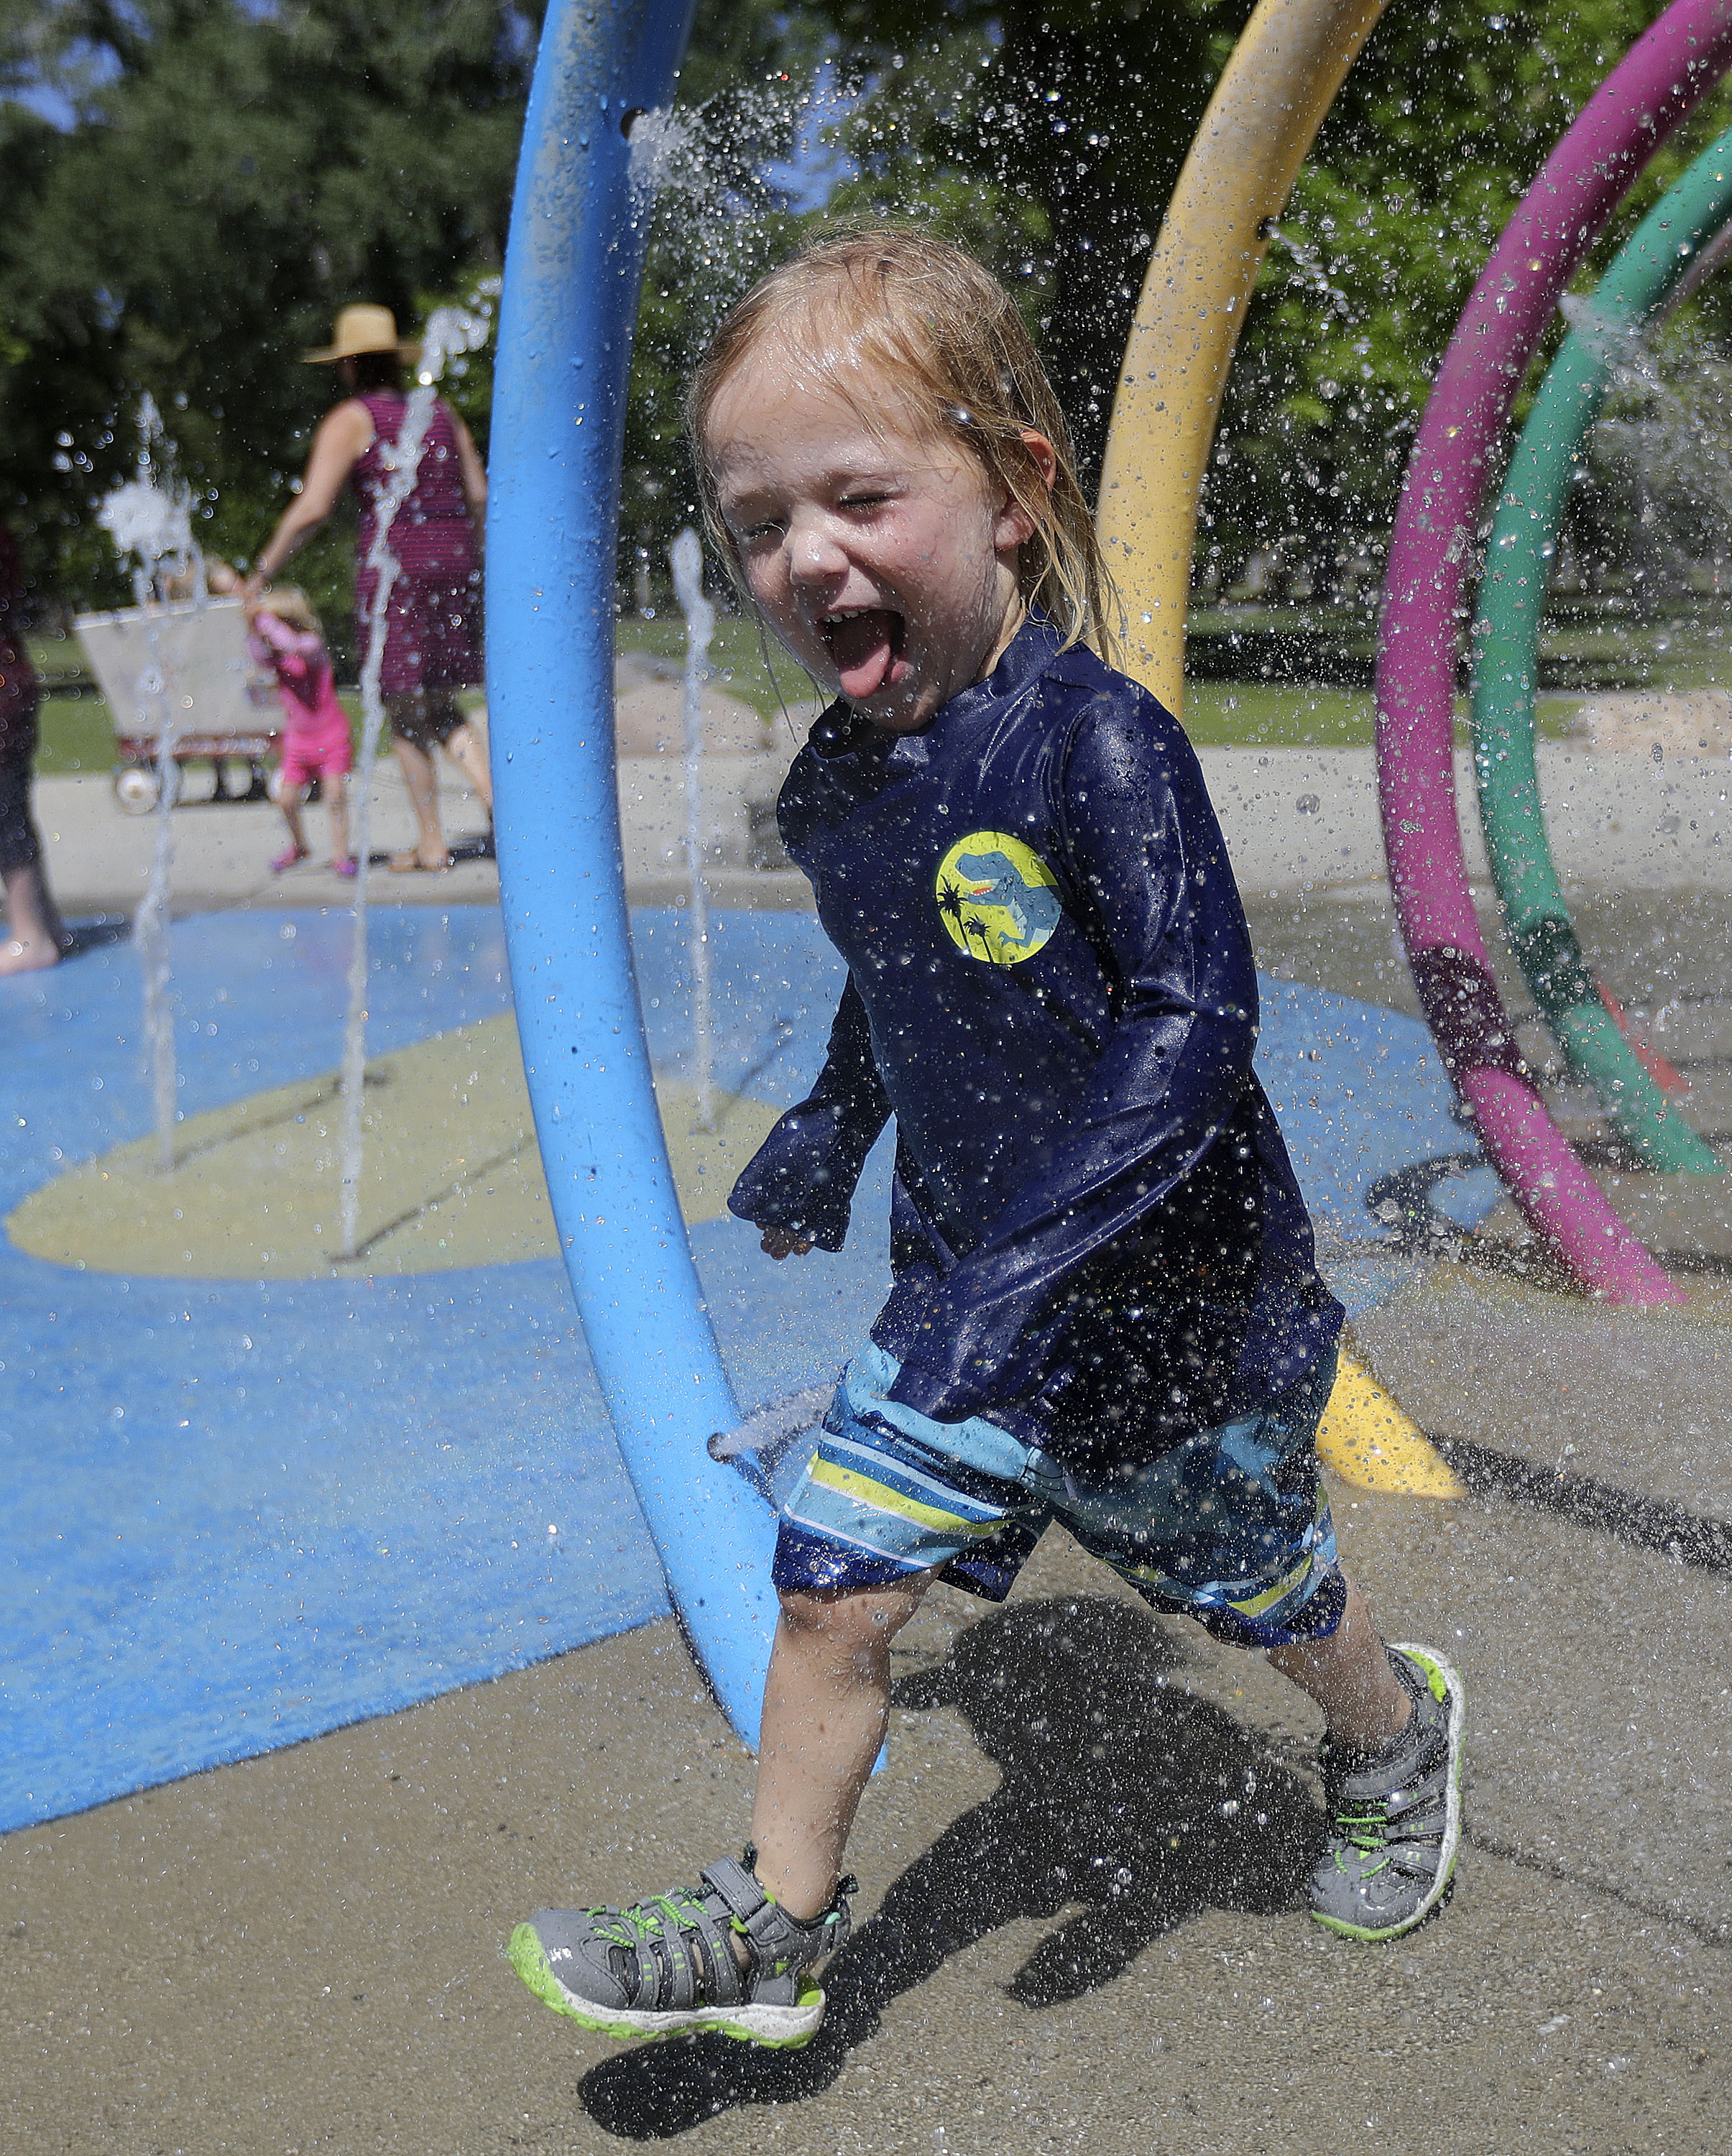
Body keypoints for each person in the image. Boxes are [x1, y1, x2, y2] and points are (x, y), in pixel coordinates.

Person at [507, 229, 1465, 2049]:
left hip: (1176, 1307)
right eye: (761, 522)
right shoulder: (838, 782)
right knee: (834, 1586)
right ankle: (773, 1925)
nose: (808, 557)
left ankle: (1387, 1729)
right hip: (966, 1302)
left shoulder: (1097, 748)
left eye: (860, 495)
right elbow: (903, 969)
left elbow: (1199, 1024)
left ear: (1017, 491)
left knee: (1255, 1583)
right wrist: (834, 1118)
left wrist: (1021, 1264)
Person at [241, 303, 489, 874]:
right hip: (454, 562)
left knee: (405, 706)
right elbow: (477, 493)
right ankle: (493, 795)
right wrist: (473, 561)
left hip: (397, 572)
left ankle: (432, 843)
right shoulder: (441, 412)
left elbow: (313, 509)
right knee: (441, 700)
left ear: (350, 366)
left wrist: (262, 572)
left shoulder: (352, 419)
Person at [248, 586, 356, 877]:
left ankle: (340, 854)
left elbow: (294, 646)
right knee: (286, 800)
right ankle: (299, 846)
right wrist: (254, 629)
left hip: (332, 736)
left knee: (334, 796)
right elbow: (258, 657)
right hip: (298, 741)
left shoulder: (311, 645)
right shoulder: (277, 657)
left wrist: (266, 622)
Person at [0, 515, 67, 975]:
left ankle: (32, 936)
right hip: (11, 679)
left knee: (5, 813)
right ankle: (45, 924)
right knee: (12, 809)